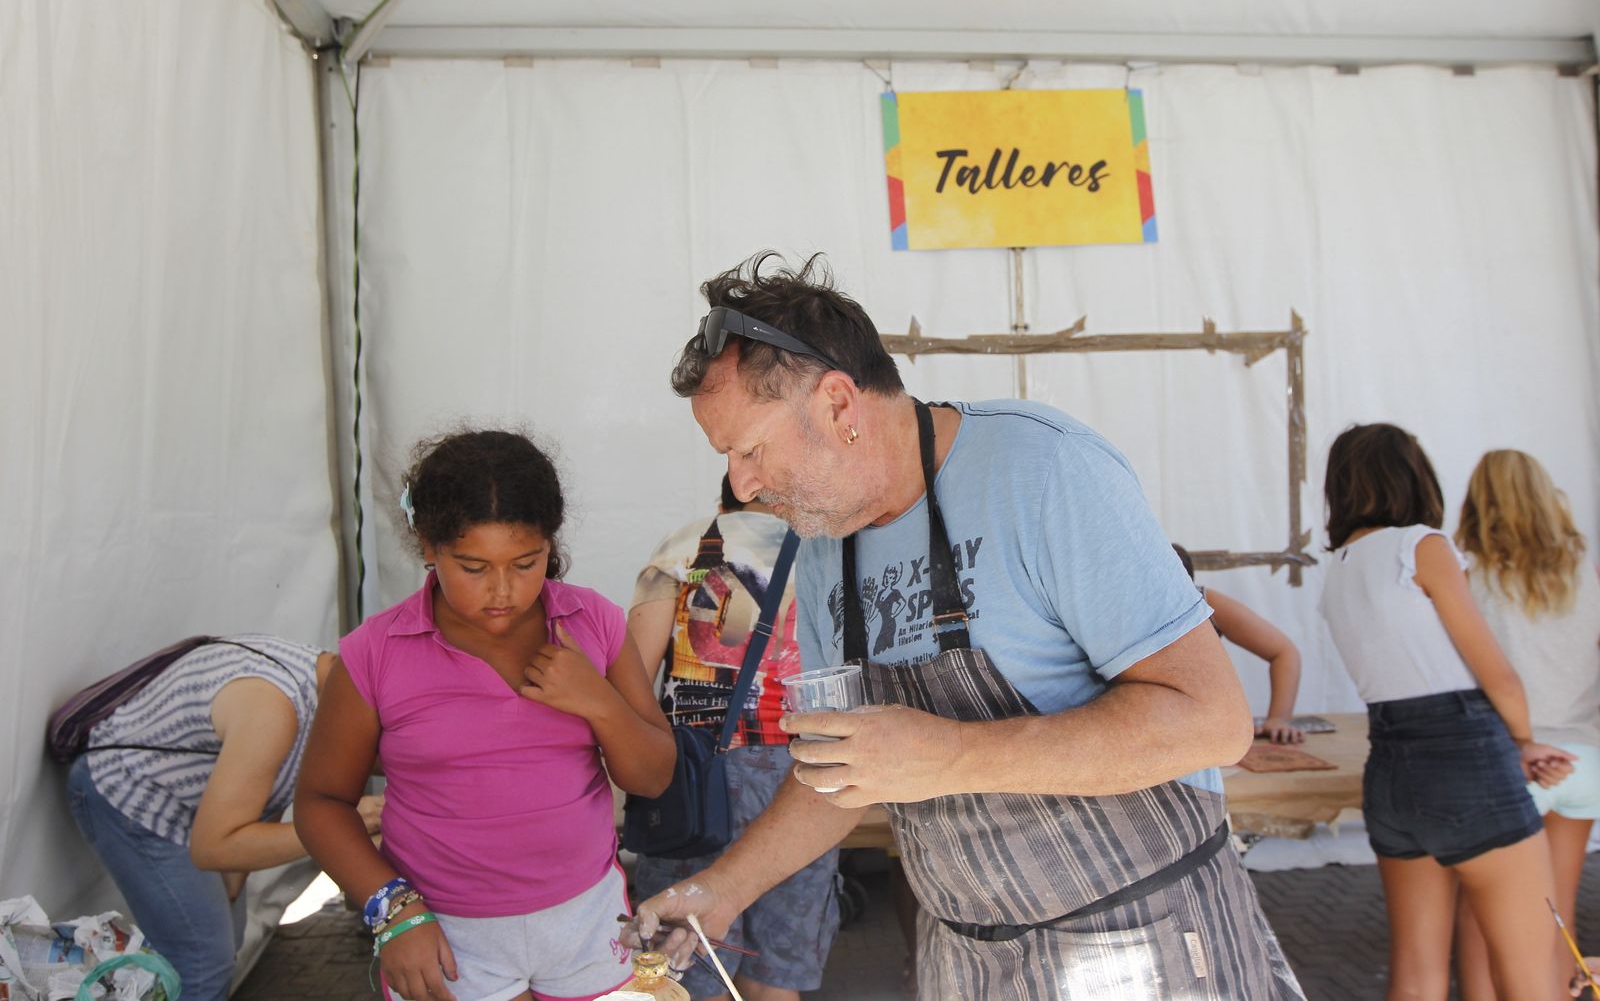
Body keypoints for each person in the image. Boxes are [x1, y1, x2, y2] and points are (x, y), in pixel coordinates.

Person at [625, 252, 1304, 999]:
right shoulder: (820, 550)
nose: (742, 484)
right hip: (969, 958)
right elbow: (837, 773)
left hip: (1140, 942)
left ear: (840, 407)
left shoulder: (1042, 469)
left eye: (749, 449)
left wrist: (950, 754)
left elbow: (1212, 721)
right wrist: (723, 889)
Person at [295, 428, 676, 1001]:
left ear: (551, 543)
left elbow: (652, 776)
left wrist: (597, 701)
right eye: (473, 568)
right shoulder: (374, 653)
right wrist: (394, 912)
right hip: (445, 934)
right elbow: (321, 802)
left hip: (587, 920)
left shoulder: (592, 623)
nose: (502, 590)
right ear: (428, 545)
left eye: (527, 563)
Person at [1318, 423, 1574, 1001]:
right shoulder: (1421, 546)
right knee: (1532, 974)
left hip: (1389, 770)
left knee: (1415, 973)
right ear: (1413, 476)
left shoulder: (1336, 571)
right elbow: (1498, 674)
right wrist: (1525, 741)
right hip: (1466, 761)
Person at [65, 634, 383, 1001]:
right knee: (203, 962)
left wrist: (228, 894)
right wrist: (339, 827)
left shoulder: (329, 686)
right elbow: (214, 848)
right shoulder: (274, 707)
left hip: (192, 807)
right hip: (126, 792)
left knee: (225, 937)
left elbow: (265, 795)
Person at [627, 474, 839, 1001]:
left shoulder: (687, 545)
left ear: (724, 500)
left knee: (690, 958)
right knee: (777, 970)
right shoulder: (832, 551)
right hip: (807, 781)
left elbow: (630, 678)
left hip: (696, 778)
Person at [1448, 450, 1600, 1001]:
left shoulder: (1467, 578)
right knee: (1557, 907)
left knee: (1482, 914)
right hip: (1585, 761)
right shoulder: (1584, 572)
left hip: (1514, 762)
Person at [1171, 544, 1306, 744]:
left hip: (1201, 728)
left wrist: (1278, 718)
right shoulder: (1123, 608)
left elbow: (1284, 652)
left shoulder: (1204, 603)